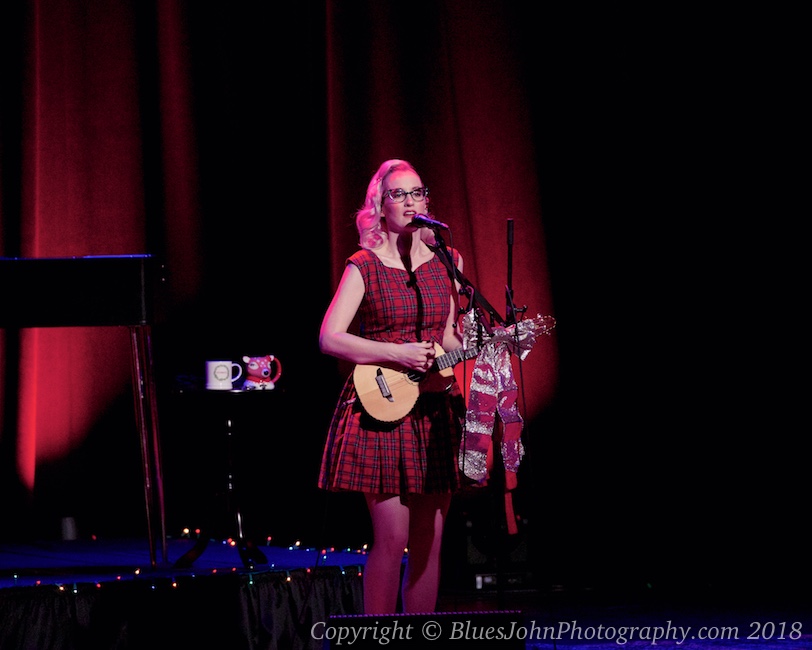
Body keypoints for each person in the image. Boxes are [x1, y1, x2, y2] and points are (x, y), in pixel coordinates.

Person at [318, 159, 466, 615]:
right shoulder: (365, 264)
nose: (410, 202)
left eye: (417, 193)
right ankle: (376, 640)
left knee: (430, 541)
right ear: (379, 207)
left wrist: (472, 345)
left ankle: (420, 638)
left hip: (434, 409)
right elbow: (329, 337)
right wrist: (396, 353)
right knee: (393, 537)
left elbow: (447, 337)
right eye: (398, 194)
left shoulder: (448, 260)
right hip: (380, 409)